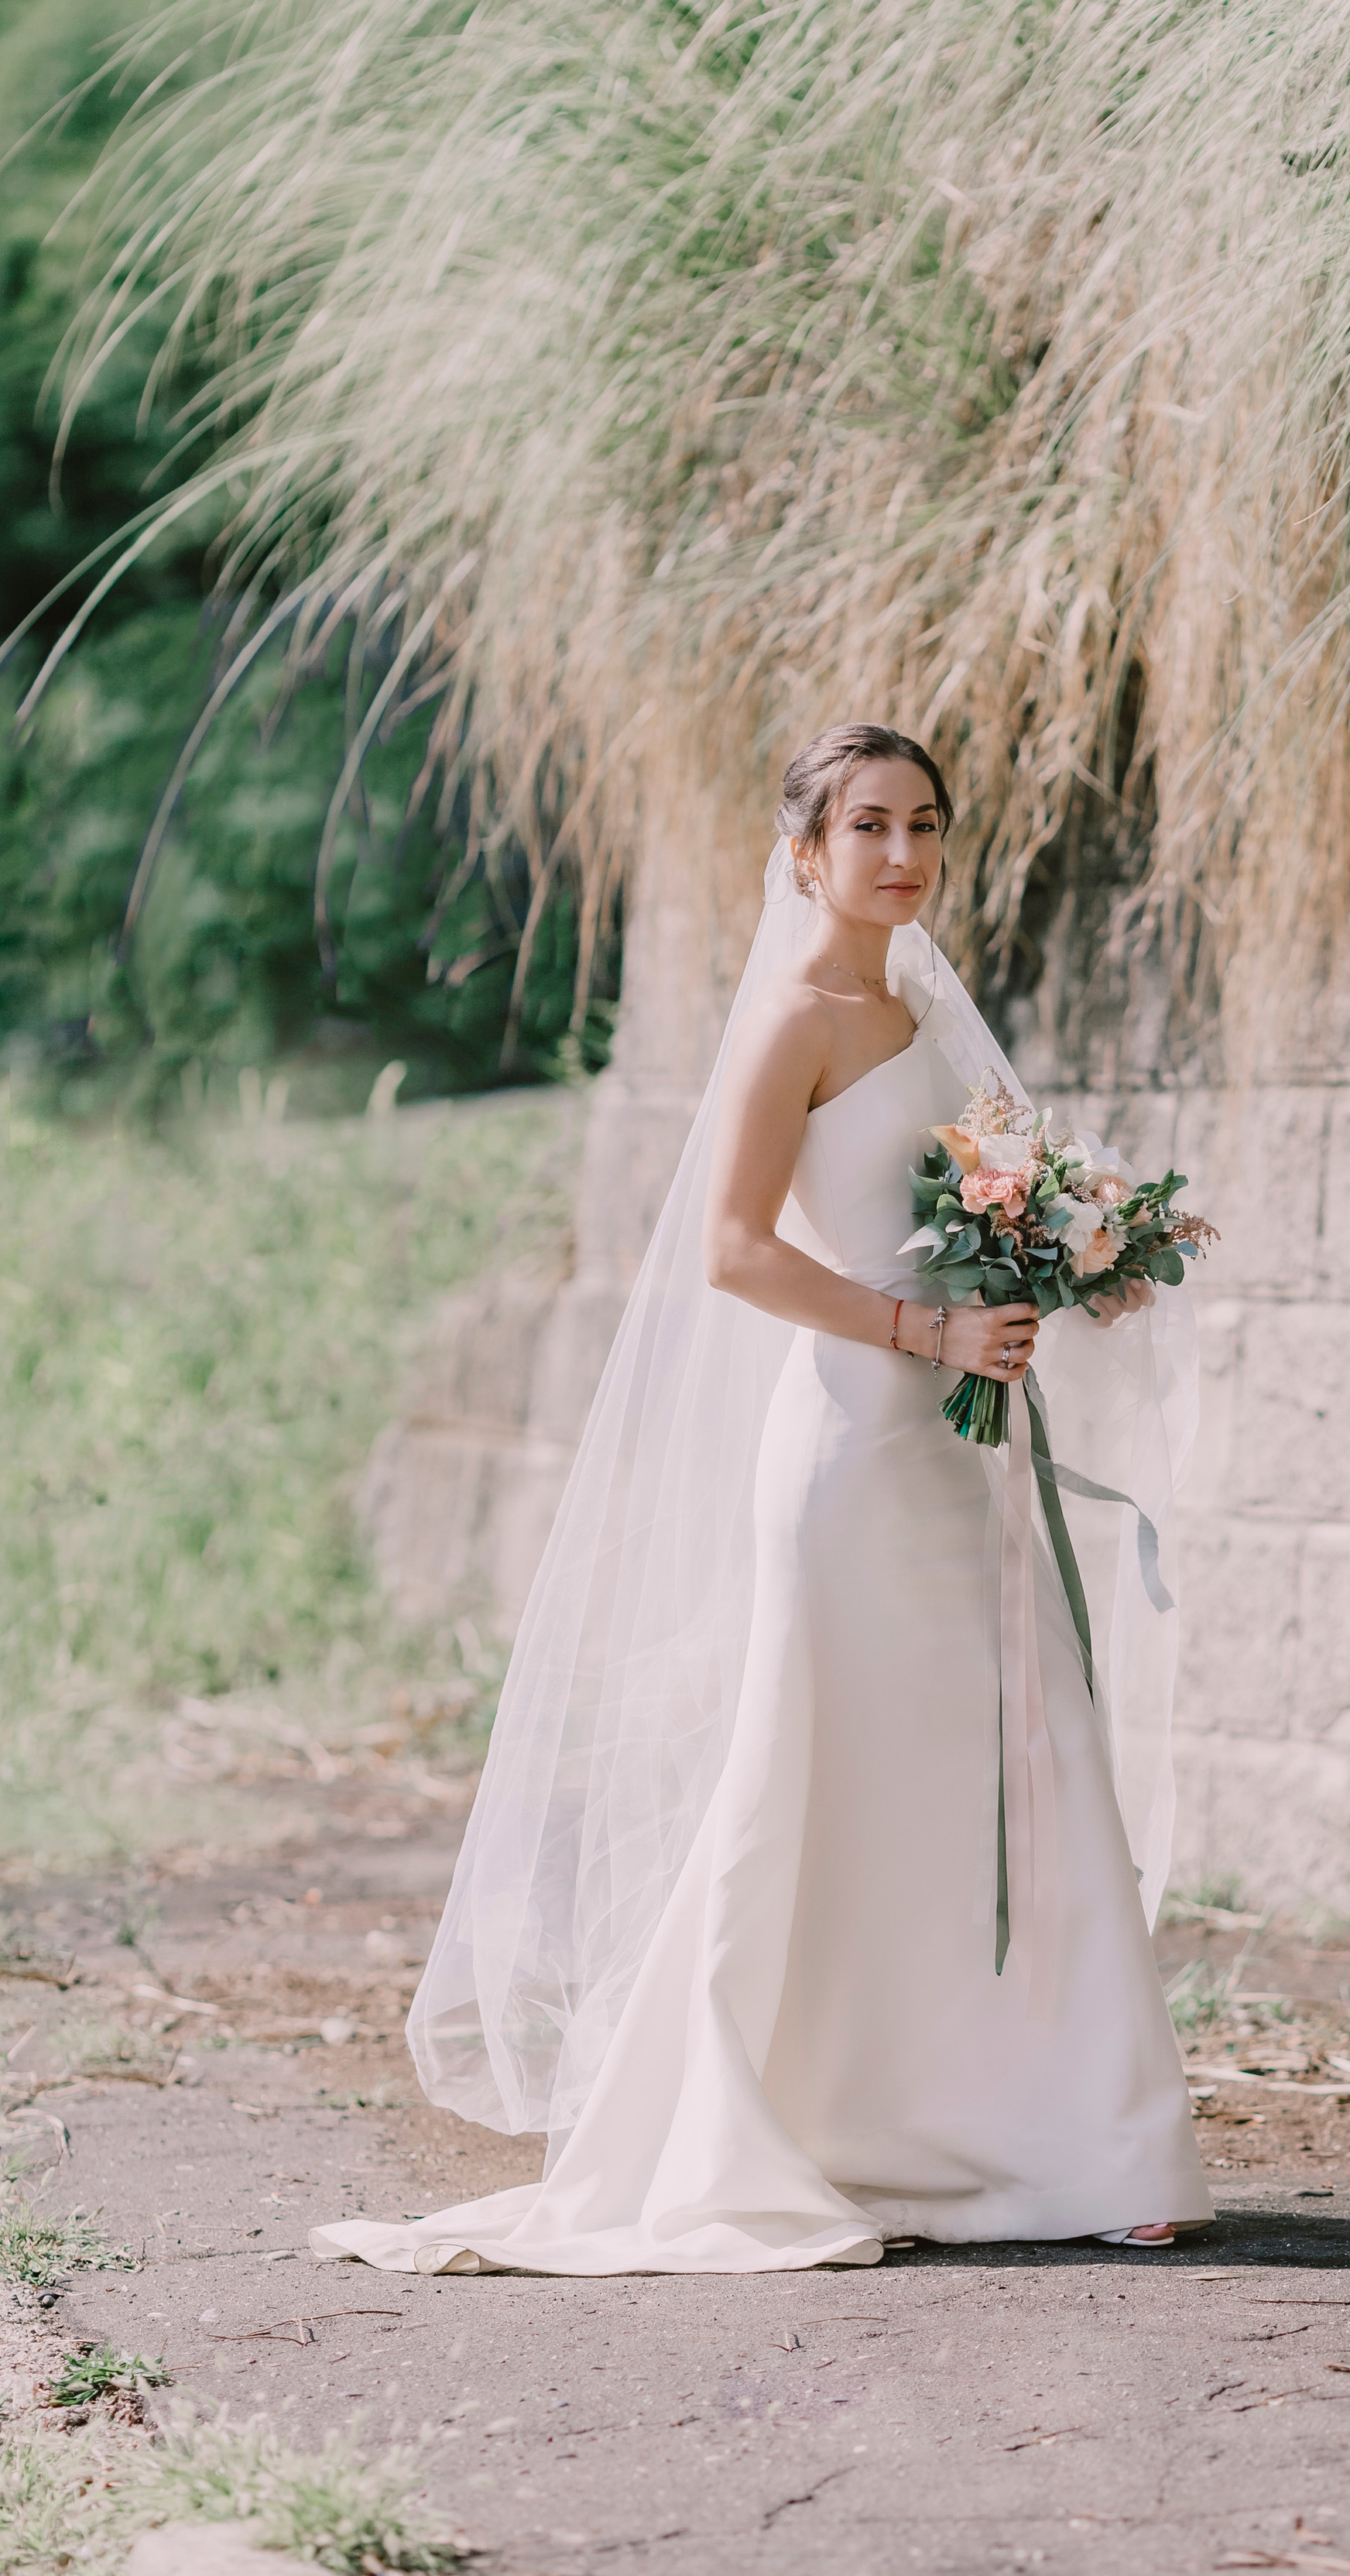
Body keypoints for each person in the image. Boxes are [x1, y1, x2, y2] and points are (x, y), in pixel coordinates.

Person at [315, 724, 1211, 2276]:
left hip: (962, 1444)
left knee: (1026, 1758)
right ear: (802, 854)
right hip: (855, 1450)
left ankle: (1082, 2143)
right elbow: (735, 1250)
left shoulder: (926, 1001)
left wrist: (1074, 1258)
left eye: (923, 822)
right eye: (864, 824)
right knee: (830, 1781)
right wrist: (929, 1330)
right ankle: (807, 2133)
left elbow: (980, 1200)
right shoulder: (790, 1020)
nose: (900, 852)